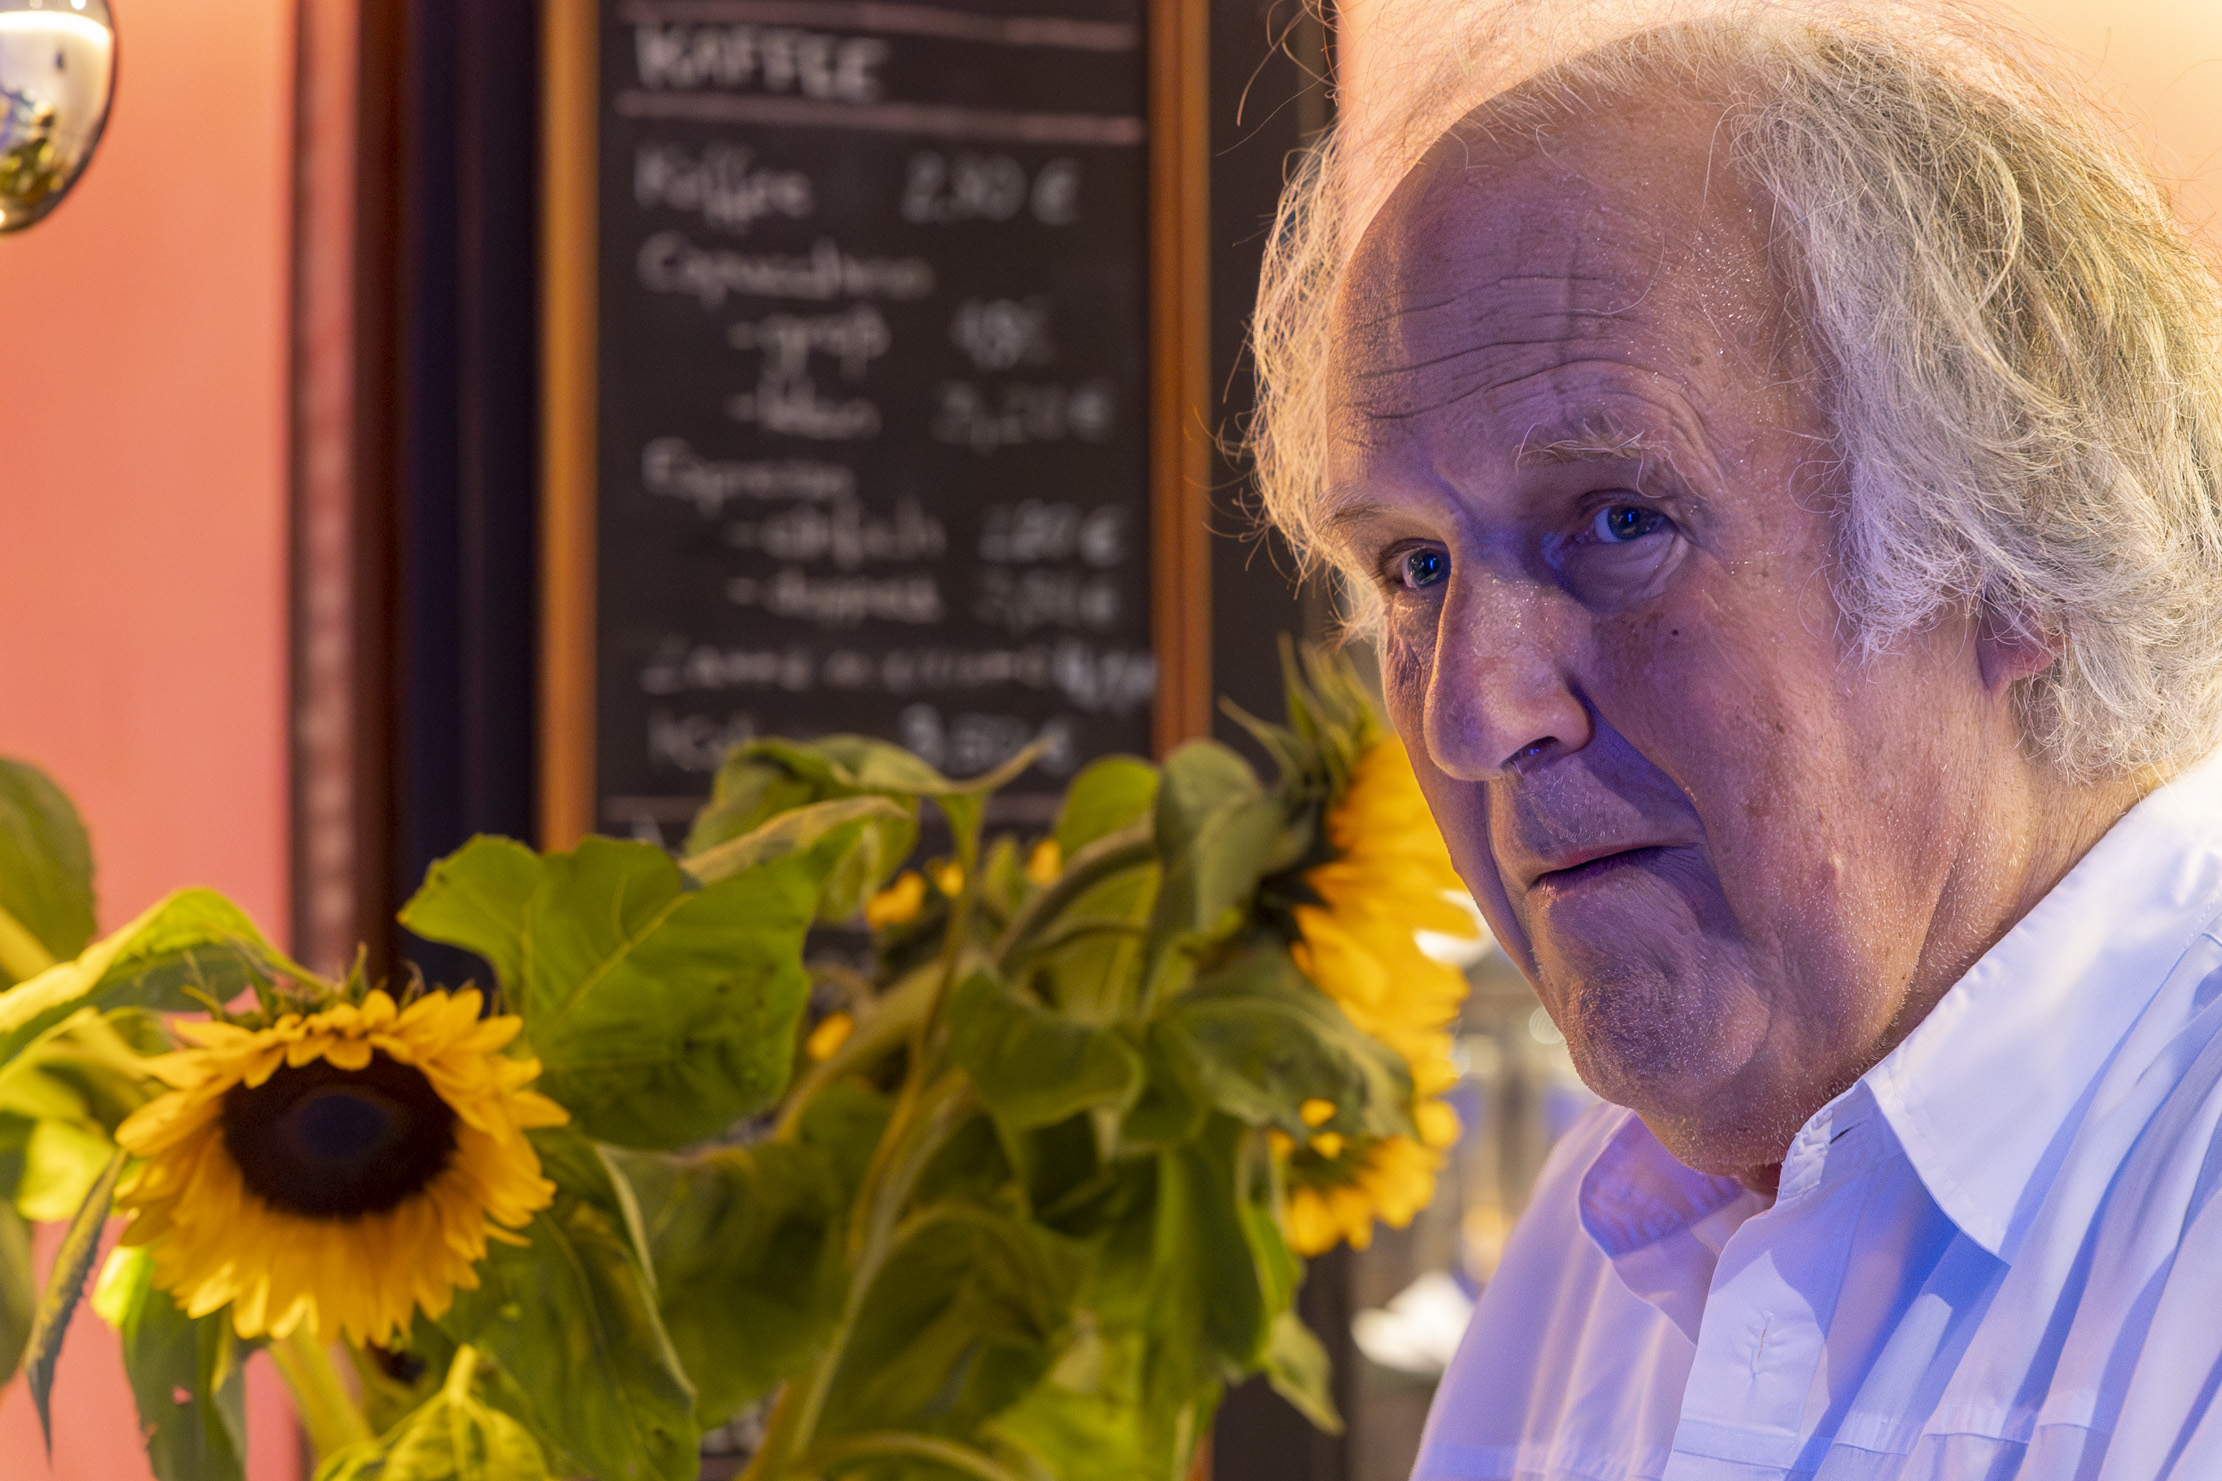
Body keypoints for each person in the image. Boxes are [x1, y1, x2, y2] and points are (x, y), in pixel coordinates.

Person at [1249, 1, 2222, 1475]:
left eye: (1617, 520)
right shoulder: (1591, 1254)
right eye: (1414, 567)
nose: (1469, 713)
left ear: (2011, 544)